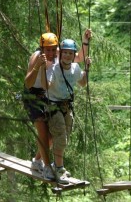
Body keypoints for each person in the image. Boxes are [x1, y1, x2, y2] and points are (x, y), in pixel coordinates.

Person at [23, 30, 91, 181]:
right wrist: (38, 66)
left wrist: (85, 41)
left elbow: (77, 57)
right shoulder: (37, 56)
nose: (52, 52)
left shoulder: (56, 53)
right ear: (42, 48)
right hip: (33, 95)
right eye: (48, 49)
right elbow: (28, 83)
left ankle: (37, 161)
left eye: (54, 49)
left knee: (52, 135)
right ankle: (48, 168)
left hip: (46, 95)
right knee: (42, 129)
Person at [40, 38, 91, 184]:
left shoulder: (75, 68)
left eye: (70, 53)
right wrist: (43, 69)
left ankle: (56, 166)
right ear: (60, 54)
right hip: (53, 106)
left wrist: (87, 69)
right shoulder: (54, 68)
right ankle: (59, 169)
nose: (67, 56)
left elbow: (82, 83)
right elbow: (46, 86)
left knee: (64, 137)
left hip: (66, 106)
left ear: (74, 54)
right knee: (61, 137)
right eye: (65, 53)